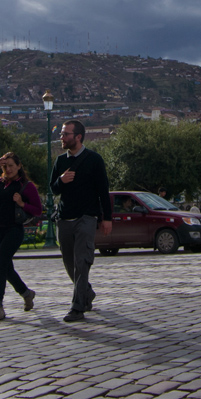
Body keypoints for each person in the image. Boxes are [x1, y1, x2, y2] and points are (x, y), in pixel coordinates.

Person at [50, 120, 112, 323]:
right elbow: (53, 189)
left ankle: (77, 307)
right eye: (61, 133)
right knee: (69, 263)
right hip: (64, 218)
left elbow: (103, 191)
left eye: (66, 134)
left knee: (82, 262)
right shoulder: (60, 161)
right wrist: (61, 180)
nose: (62, 137)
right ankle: (87, 292)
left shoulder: (94, 159)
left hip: (86, 217)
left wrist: (107, 218)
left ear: (78, 137)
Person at [0, 152, 42, 321]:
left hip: (14, 229)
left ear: (19, 166)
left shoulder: (26, 186)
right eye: (6, 166)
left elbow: (38, 210)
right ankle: (27, 293)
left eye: (12, 165)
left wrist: (22, 204)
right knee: (6, 268)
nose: (9, 169)